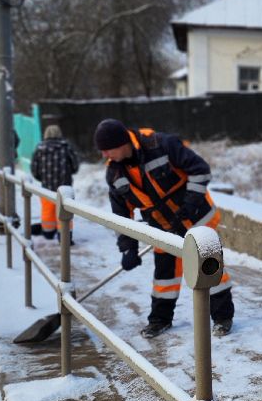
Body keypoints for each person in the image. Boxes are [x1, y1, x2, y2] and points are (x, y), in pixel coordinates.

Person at [94, 119, 234, 339]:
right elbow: (122, 215)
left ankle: (223, 318)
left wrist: (189, 206)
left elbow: (200, 170)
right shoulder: (115, 174)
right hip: (164, 228)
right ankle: (160, 321)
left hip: (198, 220)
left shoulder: (160, 145)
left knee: (208, 268)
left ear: (121, 143)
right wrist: (128, 248)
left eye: (107, 150)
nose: (104, 156)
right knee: (164, 275)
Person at [30, 124, 80, 241]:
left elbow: (34, 169)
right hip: (64, 188)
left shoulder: (39, 149)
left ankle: (48, 232)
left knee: (48, 211)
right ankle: (65, 236)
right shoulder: (67, 147)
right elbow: (75, 166)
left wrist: (43, 179)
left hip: (46, 187)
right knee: (64, 211)